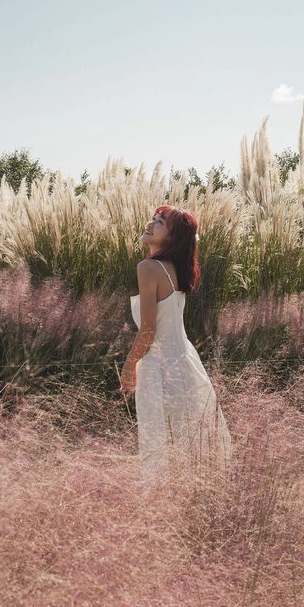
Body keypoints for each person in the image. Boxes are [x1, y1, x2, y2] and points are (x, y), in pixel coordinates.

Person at [119, 206, 232, 481]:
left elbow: (147, 330)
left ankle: (160, 506)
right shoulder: (173, 269)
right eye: (153, 219)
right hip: (183, 361)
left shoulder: (147, 268)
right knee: (189, 440)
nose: (150, 224)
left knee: (159, 441)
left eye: (160, 223)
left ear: (173, 237)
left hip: (159, 367)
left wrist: (128, 366)